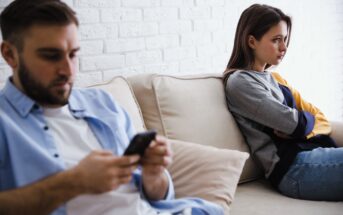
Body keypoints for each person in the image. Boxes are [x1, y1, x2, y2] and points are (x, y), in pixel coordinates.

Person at [0, 0, 223, 215]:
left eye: (73, 54)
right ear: (10, 54)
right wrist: (73, 182)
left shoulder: (102, 104)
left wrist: (153, 176)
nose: (67, 70)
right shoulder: (5, 121)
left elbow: (155, 196)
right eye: (51, 56)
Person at [223, 4, 343, 201]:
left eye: (285, 39)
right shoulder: (240, 82)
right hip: (294, 169)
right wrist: (302, 123)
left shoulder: (274, 79)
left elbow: (315, 118)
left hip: (311, 155)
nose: (284, 47)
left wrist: (303, 122)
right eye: (276, 40)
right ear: (251, 41)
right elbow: (297, 124)